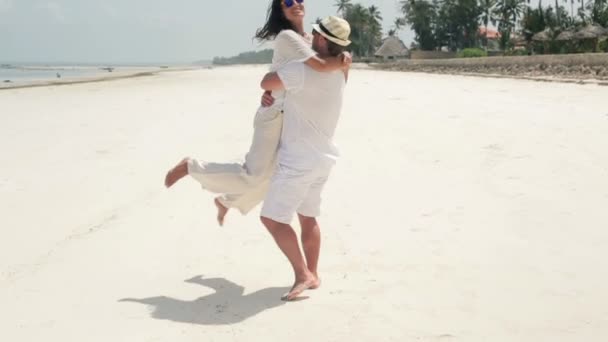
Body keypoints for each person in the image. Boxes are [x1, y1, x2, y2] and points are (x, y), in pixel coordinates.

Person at [164, 0, 351, 226]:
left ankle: (225, 202)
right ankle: (191, 166)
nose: (296, 4)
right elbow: (320, 66)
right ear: (281, 9)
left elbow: (322, 67)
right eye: (288, 2)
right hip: (273, 115)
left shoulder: (312, 39)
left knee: (272, 176)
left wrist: (343, 60)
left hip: (293, 116)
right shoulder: (287, 37)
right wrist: (343, 61)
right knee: (253, 174)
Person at [258, 15, 351, 301]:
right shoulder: (343, 70)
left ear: (322, 40)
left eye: (313, 35)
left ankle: (303, 274)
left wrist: (271, 91)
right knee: (307, 217)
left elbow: (265, 81)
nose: (309, 38)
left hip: (299, 161)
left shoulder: (299, 71)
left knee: (272, 218)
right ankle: (314, 273)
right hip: (323, 159)